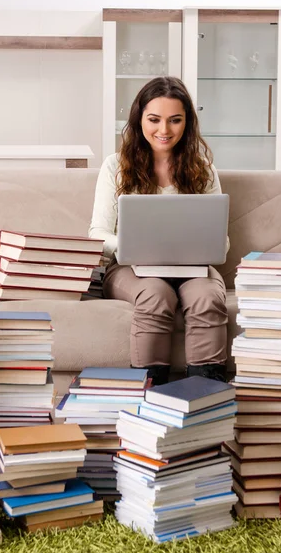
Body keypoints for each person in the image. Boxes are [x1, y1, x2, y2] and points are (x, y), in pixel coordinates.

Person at [89, 76, 228, 385]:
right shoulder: (116, 166)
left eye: (174, 120)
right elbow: (98, 233)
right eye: (154, 119)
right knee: (155, 294)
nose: (164, 130)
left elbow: (221, 240)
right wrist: (134, 246)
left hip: (193, 267)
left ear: (187, 123)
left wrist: (213, 246)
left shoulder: (203, 168)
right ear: (140, 119)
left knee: (207, 297)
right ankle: (151, 394)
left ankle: (206, 398)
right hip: (132, 269)